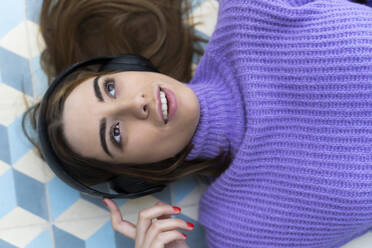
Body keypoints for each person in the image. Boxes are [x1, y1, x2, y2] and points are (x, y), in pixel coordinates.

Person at [22, 0, 372, 247]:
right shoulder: (240, 229)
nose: (135, 104)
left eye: (110, 88)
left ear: (127, 65)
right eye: (115, 133)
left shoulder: (252, 9)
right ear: (137, 175)